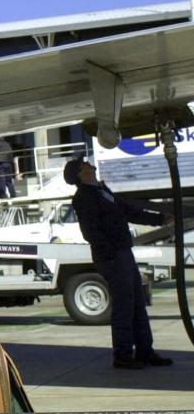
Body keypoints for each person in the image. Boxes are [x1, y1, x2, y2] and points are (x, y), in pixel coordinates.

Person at [64, 157, 173, 369]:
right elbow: (91, 232)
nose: (88, 163)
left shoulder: (101, 190)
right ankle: (123, 354)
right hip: (114, 256)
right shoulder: (84, 197)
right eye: (84, 164)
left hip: (123, 252)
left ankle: (144, 351)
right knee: (124, 304)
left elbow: (129, 211)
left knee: (137, 302)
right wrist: (109, 253)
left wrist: (159, 219)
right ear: (80, 173)